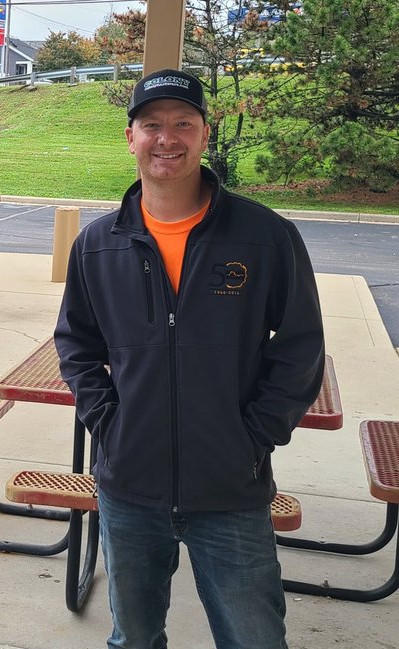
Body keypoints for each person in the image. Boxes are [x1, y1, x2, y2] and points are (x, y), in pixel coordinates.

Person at [54, 68, 325, 649]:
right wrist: (109, 423)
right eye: (152, 125)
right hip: (129, 489)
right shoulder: (98, 245)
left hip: (231, 489)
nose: (167, 138)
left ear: (205, 134)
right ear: (130, 137)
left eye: (183, 124)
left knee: (254, 639)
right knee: (134, 639)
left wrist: (252, 437)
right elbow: (76, 345)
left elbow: (301, 348)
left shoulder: (265, 236)